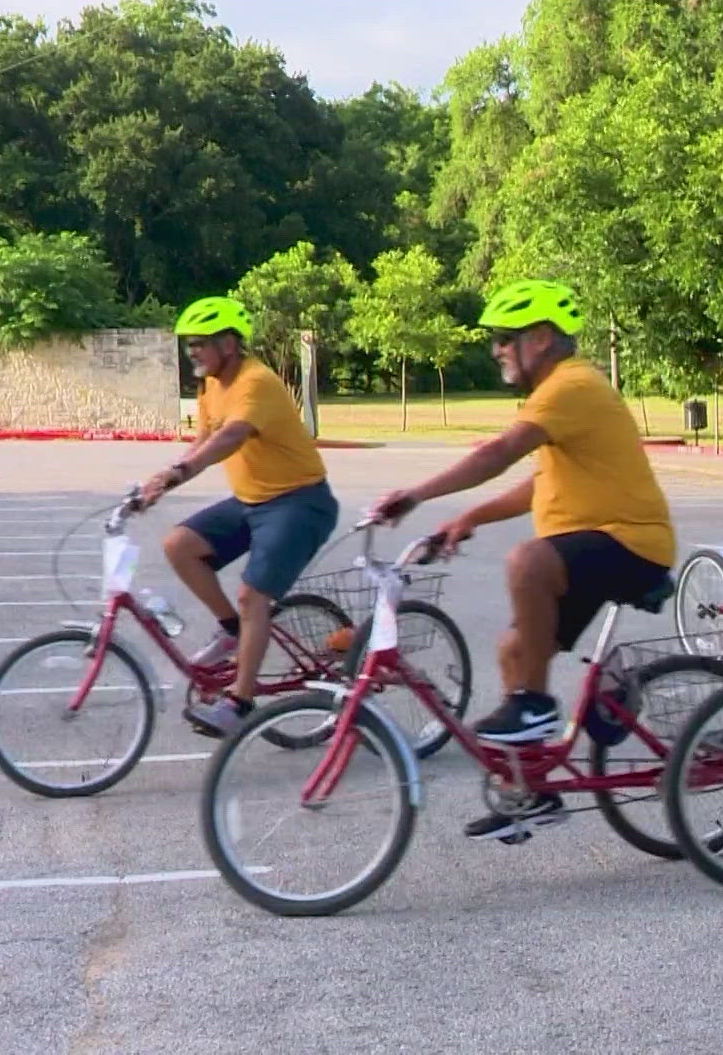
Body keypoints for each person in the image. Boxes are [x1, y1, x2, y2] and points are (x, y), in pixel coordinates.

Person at [369, 278, 676, 840]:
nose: (496, 350)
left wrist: (416, 495)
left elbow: (499, 452)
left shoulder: (572, 385)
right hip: (595, 544)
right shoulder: (560, 395)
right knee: (514, 647)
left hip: (633, 544)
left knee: (526, 562)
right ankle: (531, 793)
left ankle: (535, 706)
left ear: (540, 338)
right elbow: (542, 484)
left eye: (505, 339)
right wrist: (469, 518)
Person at [137, 296, 340, 738]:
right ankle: (232, 631)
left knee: (253, 597)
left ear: (229, 344)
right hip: (252, 501)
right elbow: (205, 438)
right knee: (179, 545)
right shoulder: (211, 386)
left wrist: (180, 472)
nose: (192, 351)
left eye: (200, 343)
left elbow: (231, 436)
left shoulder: (256, 382)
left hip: (300, 503)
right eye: (189, 344)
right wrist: (163, 479)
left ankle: (241, 702)